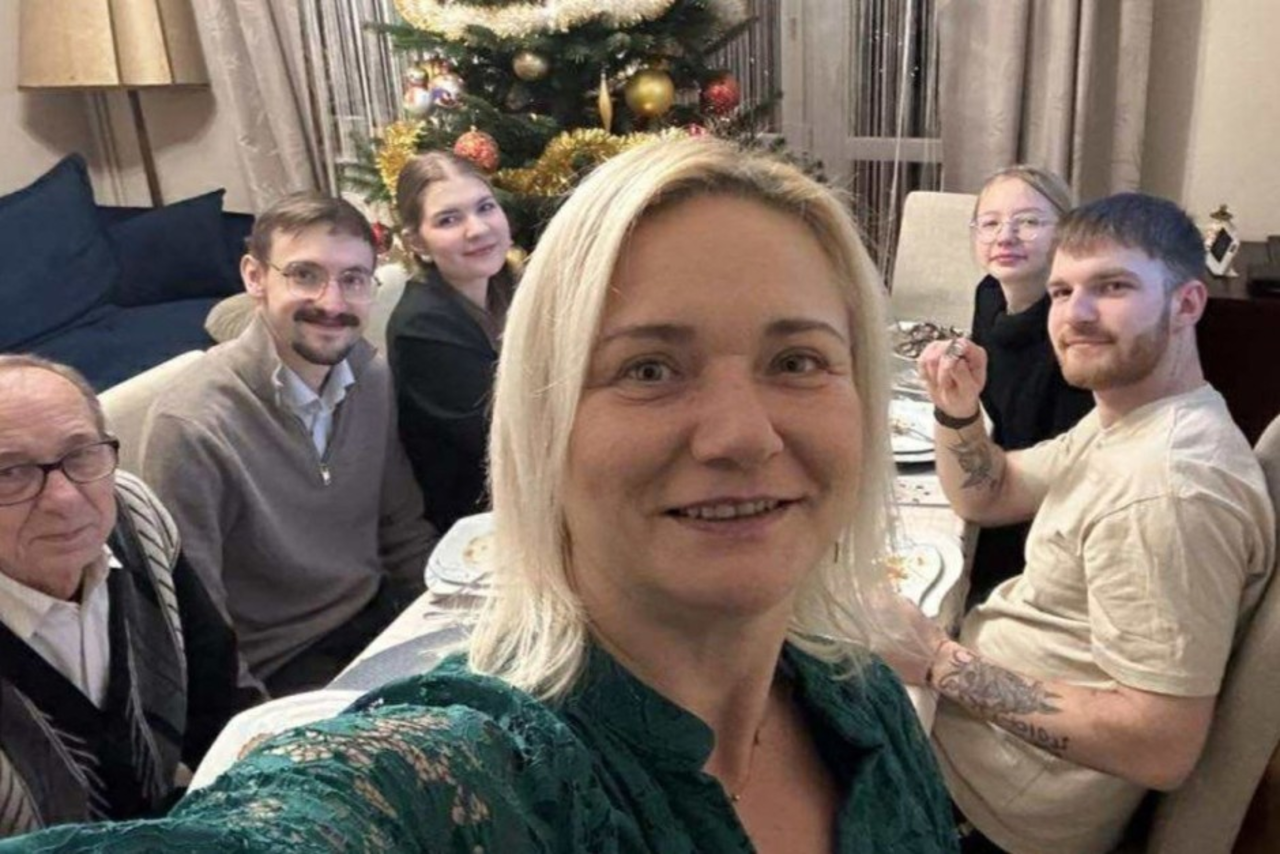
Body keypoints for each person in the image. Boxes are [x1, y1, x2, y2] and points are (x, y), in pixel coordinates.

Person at [4, 139, 958, 852]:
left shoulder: (864, 702)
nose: (744, 435)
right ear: (541, 426)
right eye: (649, 369)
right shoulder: (474, 772)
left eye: (798, 361)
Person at [899, 193, 1276, 853]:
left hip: (980, 810)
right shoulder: (1130, 419)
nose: (1074, 314)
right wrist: (958, 411)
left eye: (1113, 286)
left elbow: (1160, 746)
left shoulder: (1169, 489)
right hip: (969, 743)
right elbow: (990, 494)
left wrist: (935, 660)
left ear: (1187, 303)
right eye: (1062, 290)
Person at [139, 193, 438, 697]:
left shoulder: (370, 376)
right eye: (304, 275)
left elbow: (402, 528)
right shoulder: (192, 426)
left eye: (352, 279)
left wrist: (450, 624)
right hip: (285, 669)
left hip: (381, 623)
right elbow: (196, 622)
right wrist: (255, 719)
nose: (332, 302)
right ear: (255, 277)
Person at [0, 355, 261, 837]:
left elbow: (218, 700)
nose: (64, 499)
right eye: (9, 472)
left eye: (81, 453)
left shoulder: (134, 516)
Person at [964, 165, 1094, 608]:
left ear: (1067, 232)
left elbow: (1069, 475)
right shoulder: (989, 294)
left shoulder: (1075, 330)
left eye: (1029, 222)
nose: (1005, 237)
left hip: (1036, 527)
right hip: (988, 476)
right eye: (990, 223)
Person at [387, 151, 517, 532]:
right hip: (476, 525)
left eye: (485, 207)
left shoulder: (510, 288)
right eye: (448, 219)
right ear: (417, 243)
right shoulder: (421, 327)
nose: (477, 229)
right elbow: (505, 442)